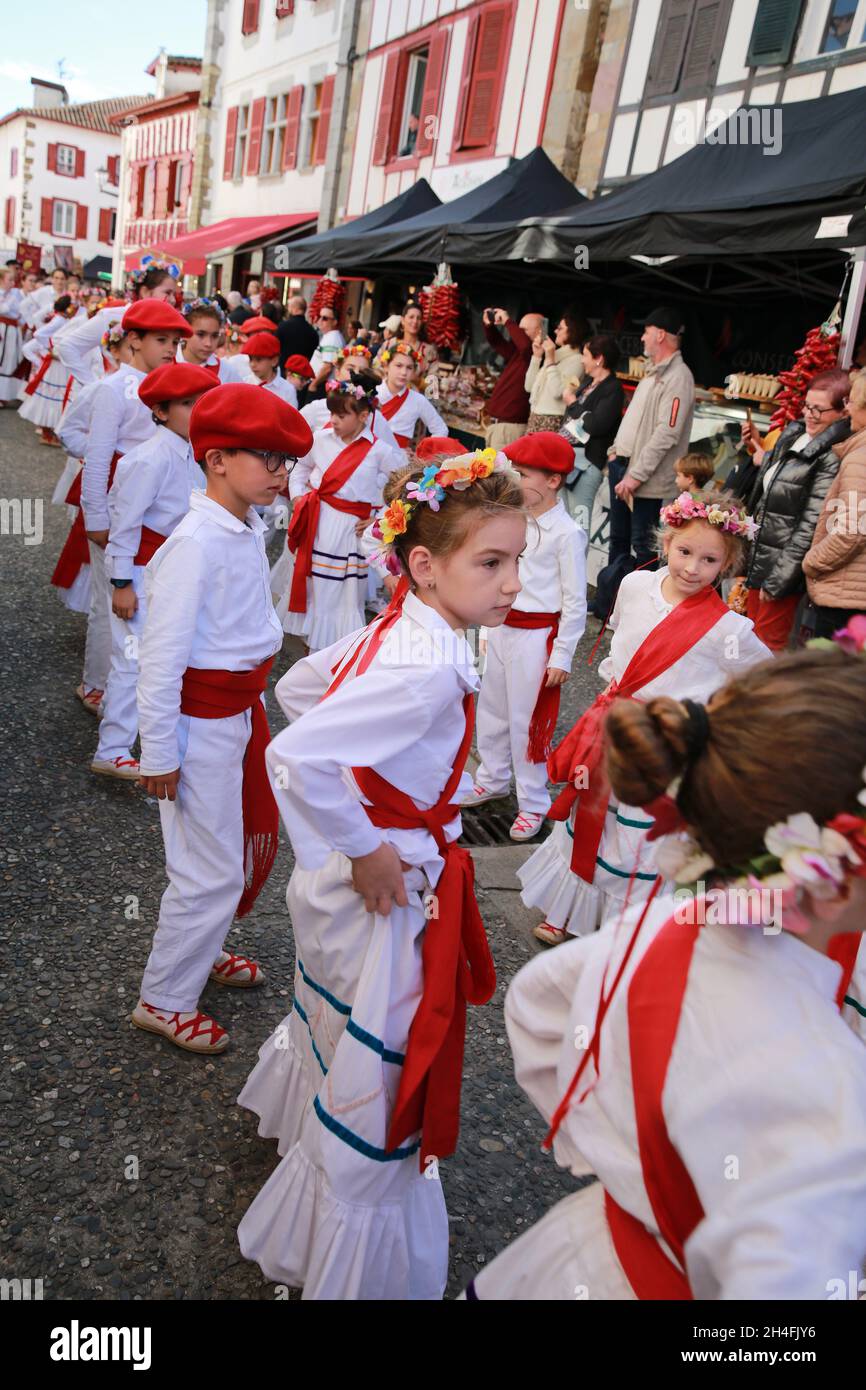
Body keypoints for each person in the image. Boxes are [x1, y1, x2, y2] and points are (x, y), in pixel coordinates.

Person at [468, 641, 866, 1300]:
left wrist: (625, 1158)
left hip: (583, 1256)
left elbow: (537, 1007)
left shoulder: (650, 929)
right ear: (834, 875)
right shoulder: (834, 1095)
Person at [236, 450, 525, 1300]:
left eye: (518, 561)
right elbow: (294, 748)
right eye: (491, 562)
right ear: (426, 564)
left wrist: (360, 810)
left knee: (337, 1012)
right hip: (387, 880)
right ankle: (349, 1230)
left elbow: (298, 687)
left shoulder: (405, 624)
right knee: (384, 1055)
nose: (512, 583)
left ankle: (314, 1149)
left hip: (338, 876)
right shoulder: (429, 662)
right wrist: (367, 842)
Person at [133, 384, 313, 1054]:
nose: (280, 472)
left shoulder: (240, 525)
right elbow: (160, 656)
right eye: (267, 457)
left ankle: (197, 952)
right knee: (207, 869)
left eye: (286, 460)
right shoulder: (194, 544)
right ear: (215, 459)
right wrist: (158, 752)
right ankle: (164, 997)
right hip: (199, 723)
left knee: (218, 854)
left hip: (235, 715)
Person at [520, 489, 770, 947]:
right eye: (685, 552)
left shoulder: (728, 630)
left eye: (710, 561)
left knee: (638, 840)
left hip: (668, 749)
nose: (693, 568)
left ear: (728, 565)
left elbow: (764, 679)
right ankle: (569, 911)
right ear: (666, 542)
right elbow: (621, 644)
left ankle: (624, 931)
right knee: (591, 817)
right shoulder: (635, 586)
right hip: (613, 729)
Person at [58, 300, 190, 753]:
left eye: (176, 342)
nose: (172, 349)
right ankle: (96, 684)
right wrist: (97, 518)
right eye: (161, 340)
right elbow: (94, 458)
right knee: (106, 602)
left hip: (149, 505)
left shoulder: (164, 386)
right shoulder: (114, 388)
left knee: (138, 607)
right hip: (118, 510)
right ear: (132, 339)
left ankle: (123, 690)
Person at [91, 364, 218, 779]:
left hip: (173, 574)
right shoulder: (146, 459)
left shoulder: (192, 454)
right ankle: (112, 748)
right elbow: (124, 527)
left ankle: (156, 740)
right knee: (131, 660)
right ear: (160, 412)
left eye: (202, 402)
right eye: (187, 404)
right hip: (142, 574)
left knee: (165, 658)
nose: (197, 410)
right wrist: (122, 583)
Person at [465, 434, 587, 841]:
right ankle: (493, 777)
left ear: (554, 481)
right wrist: (485, 627)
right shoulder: (514, 518)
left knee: (526, 723)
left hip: (537, 637)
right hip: (502, 627)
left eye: (524, 474)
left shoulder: (566, 533)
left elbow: (575, 600)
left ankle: (533, 802)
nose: (515, 480)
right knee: (493, 709)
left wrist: (562, 656)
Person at [273, 372, 403, 650]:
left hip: (351, 532)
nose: (334, 420)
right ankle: (310, 652)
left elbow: (401, 488)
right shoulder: (320, 439)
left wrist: (378, 519)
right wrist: (298, 498)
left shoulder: (379, 451)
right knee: (316, 589)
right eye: (332, 413)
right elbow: (300, 468)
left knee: (343, 596)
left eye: (342, 415)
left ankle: (335, 655)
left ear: (364, 415)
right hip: (318, 524)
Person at [738, 367, 850, 652]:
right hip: (761, 556)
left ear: (842, 411)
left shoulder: (832, 456)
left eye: (820, 410)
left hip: (781, 568)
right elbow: (768, 490)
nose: (810, 414)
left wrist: (779, 580)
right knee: (745, 639)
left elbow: (810, 525)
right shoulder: (794, 434)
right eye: (808, 406)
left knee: (767, 646)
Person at [603, 307, 695, 600]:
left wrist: (635, 475)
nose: (642, 337)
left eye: (645, 331)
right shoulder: (652, 373)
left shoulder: (678, 377)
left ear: (660, 334)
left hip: (647, 480)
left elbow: (667, 433)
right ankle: (609, 602)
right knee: (618, 540)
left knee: (643, 548)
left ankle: (638, 608)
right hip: (625, 468)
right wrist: (615, 454)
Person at [802, 368, 866, 639]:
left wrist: (811, 562)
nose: (847, 408)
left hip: (845, 600)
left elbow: (852, 530)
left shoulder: (860, 458)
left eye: (851, 401)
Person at [58, 267, 178, 387]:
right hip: (117, 395)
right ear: (145, 292)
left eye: (174, 294)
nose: (173, 300)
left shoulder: (169, 324)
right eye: (167, 293)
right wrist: (92, 385)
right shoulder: (114, 316)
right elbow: (67, 346)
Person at [559, 333, 624, 535]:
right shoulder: (588, 382)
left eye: (585, 355)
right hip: (566, 458)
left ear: (599, 358)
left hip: (586, 463)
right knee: (561, 520)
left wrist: (572, 404)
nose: (582, 359)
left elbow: (595, 424)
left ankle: (575, 565)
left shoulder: (613, 389)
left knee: (578, 525)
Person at [481, 307, 543, 449]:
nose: (518, 333)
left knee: (498, 471)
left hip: (509, 429)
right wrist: (489, 327)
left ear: (539, 332)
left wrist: (508, 321)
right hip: (499, 427)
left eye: (523, 330)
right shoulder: (519, 353)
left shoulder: (535, 354)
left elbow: (526, 346)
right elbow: (498, 343)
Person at [18, 295, 77, 442]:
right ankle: (48, 433)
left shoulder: (64, 320)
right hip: (56, 365)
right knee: (54, 398)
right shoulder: (60, 320)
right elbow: (39, 334)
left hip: (60, 363)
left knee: (56, 397)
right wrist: (50, 349)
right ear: (67, 308)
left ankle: (50, 432)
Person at [524, 310, 587, 433]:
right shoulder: (555, 355)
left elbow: (558, 392)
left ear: (572, 332)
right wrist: (536, 357)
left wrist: (550, 360)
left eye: (560, 328)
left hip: (552, 419)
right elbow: (529, 387)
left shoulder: (578, 361)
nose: (555, 331)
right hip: (534, 415)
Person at [376, 341, 447, 448]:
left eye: (409, 368)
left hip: (399, 459)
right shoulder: (373, 393)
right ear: (386, 366)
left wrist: (423, 451)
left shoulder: (418, 400)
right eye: (398, 366)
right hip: (369, 456)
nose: (404, 372)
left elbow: (441, 429)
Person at [243, 331, 298, 407]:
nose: (252, 364)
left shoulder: (287, 390)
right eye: (250, 359)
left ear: (274, 361)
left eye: (258, 359)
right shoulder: (245, 384)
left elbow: (291, 417)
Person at [0, 267, 24, 406]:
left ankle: (4, 395)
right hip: (2, 328)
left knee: (10, 360)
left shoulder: (14, 295)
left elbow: (19, 314)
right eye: (9, 280)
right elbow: (3, 309)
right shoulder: (6, 295)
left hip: (12, 331)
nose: (12, 283)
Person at [309, 306, 345, 396]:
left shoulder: (332, 338)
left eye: (325, 318)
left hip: (321, 385)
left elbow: (327, 367)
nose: (320, 320)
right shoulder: (330, 336)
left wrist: (313, 385)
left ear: (334, 322)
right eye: (319, 316)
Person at [276, 295, 319, 370]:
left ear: (294, 308)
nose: (288, 309)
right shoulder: (312, 331)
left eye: (289, 307)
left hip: (284, 369)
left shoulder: (283, 326)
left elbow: (275, 347)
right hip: (302, 371)